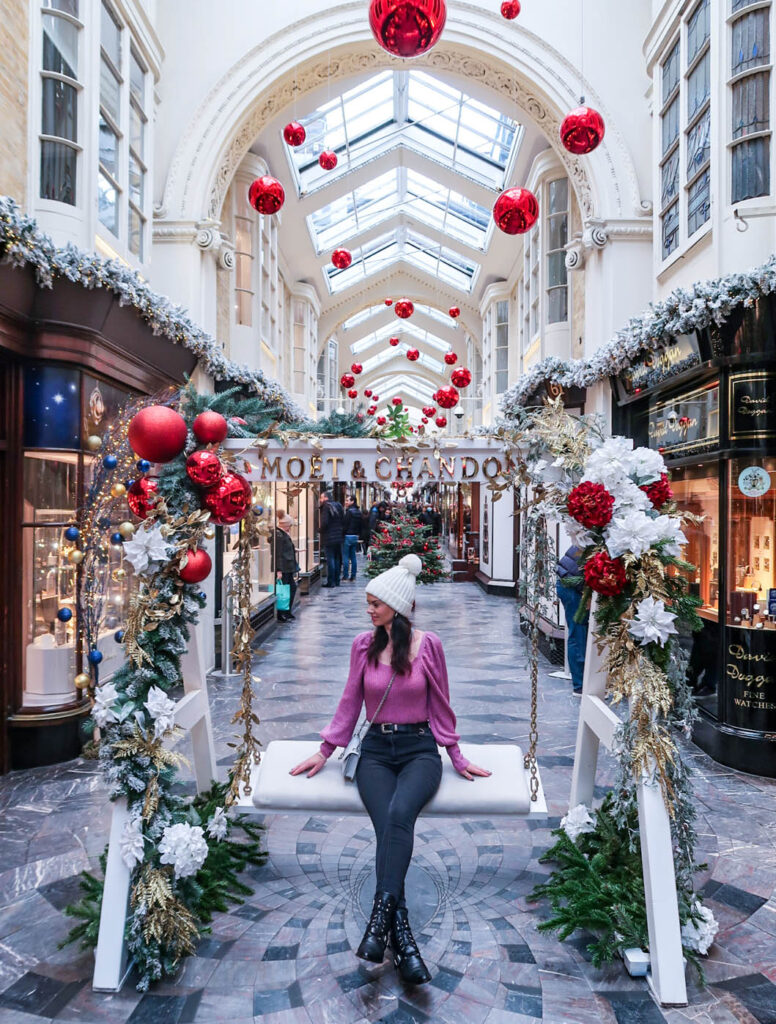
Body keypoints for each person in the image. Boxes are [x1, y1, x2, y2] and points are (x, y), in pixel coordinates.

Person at [290, 554, 491, 984]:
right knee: (389, 826)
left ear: (395, 606)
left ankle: (381, 922)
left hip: (420, 750)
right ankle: (400, 936)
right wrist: (325, 750)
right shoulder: (363, 646)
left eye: (375, 602)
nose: (368, 609)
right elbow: (349, 702)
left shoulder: (429, 645)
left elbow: (441, 705)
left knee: (400, 816)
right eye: (367, 602)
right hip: (376, 752)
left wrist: (456, 758)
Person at [556, 545, 589, 694]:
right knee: (578, 632)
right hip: (572, 585)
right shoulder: (605, 536)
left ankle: (582, 682)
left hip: (570, 582)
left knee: (578, 631)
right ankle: (580, 685)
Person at [274, 512, 299, 621]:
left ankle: (286, 611)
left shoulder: (283, 534)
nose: (290, 527)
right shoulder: (279, 535)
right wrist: (278, 570)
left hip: (287, 566)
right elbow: (278, 553)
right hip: (284, 567)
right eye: (289, 525)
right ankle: (283, 612)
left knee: (290, 588)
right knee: (285, 589)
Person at [319, 490, 345, 588]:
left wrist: (320, 530)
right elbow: (343, 520)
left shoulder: (326, 506)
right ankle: (337, 580)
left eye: (321, 498)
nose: (320, 500)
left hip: (329, 537)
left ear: (326, 498)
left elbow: (324, 522)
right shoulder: (338, 505)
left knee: (330, 559)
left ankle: (331, 582)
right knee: (337, 559)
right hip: (338, 537)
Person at [342, 494, 363, 581]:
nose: (346, 502)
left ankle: (346, 575)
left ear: (352, 501)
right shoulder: (358, 512)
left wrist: (342, 533)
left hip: (347, 536)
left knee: (346, 557)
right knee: (353, 557)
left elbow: (345, 524)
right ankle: (353, 575)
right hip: (355, 536)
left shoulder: (349, 512)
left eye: (347, 500)